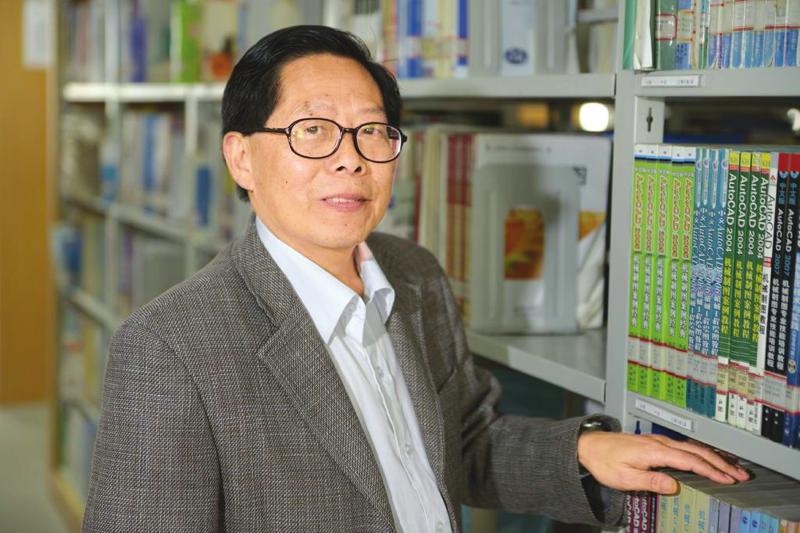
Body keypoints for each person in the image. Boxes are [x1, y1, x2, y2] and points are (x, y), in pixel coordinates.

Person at [82, 25, 748, 533]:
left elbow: (462, 444)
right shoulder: (170, 345)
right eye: (313, 130)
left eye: (372, 131)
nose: (350, 159)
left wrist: (585, 453)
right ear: (241, 158)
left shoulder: (414, 274)